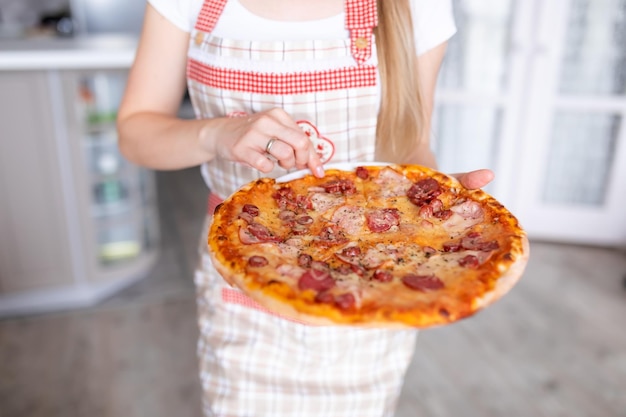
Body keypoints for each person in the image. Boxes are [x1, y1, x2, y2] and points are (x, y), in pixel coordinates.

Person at [117, 0, 494, 415]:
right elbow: (135, 133)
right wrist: (218, 134)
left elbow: (412, 142)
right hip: (245, 281)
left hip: (372, 283)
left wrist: (430, 204)